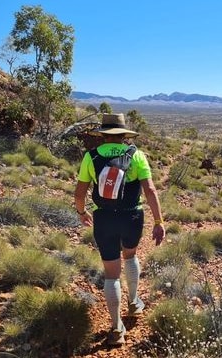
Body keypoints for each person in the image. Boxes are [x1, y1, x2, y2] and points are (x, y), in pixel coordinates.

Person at [74, 113, 165, 345]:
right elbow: (151, 190)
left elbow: (80, 191)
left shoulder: (90, 156)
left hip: (103, 218)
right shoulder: (136, 155)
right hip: (132, 217)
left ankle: (116, 329)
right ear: (124, 134)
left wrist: (82, 212)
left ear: (104, 135)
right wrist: (158, 221)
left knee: (111, 273)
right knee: (131, 255)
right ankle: (134, 303)